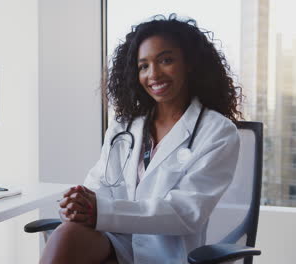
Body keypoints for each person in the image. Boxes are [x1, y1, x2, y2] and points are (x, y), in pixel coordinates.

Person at [40, 14, 243, 264]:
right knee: (66, 235)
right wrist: (78, 205)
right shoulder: (124, 127)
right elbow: (99, 186)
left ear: (189, 63)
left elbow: (186, 212)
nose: (154, 74)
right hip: (116, 241)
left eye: (166, 60)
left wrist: (100, 211)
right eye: (143, 66)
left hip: (166, 253)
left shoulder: (217, 131)